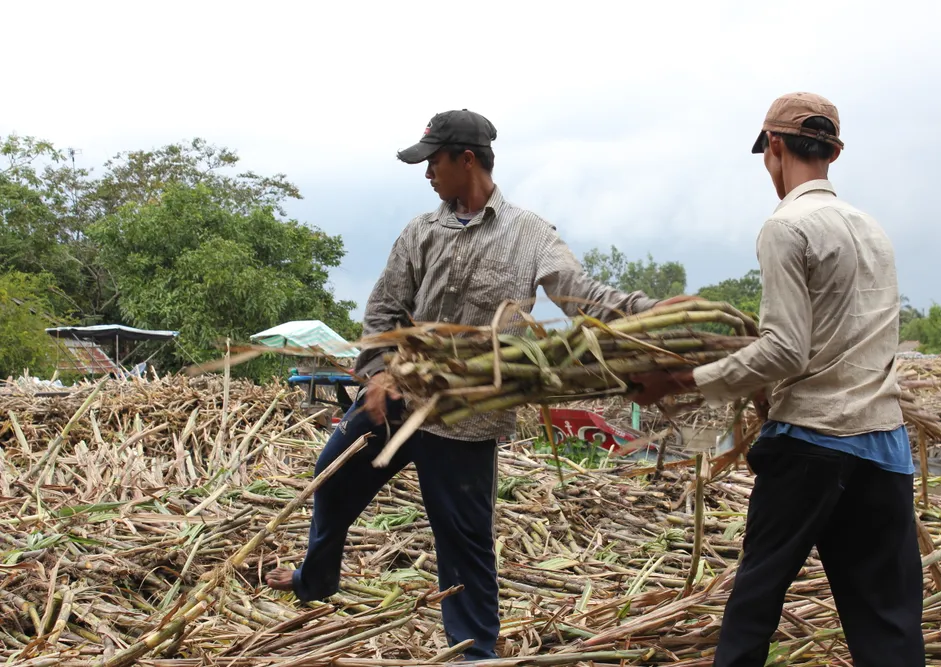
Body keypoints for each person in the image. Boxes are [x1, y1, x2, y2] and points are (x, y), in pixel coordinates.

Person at [266, 108, 686, 661]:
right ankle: (316, 578)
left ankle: (475, 652)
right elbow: (383, 309)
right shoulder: (421, 231)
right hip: (398, 396)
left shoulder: (530, 234)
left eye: (433, 161)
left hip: (468, 415)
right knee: (331, 478)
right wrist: (378, 372)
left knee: (464, 542)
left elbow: (580, 293)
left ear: (467, 159)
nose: (426, 173)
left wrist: (652, 312)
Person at [631, 93, 925, 667]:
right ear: (833, 152)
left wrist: (684, 380)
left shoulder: (787, 226)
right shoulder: (873, 231)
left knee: (755, 604)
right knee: (888, 623)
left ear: (774, 146)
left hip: (812, 443)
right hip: (884, 447)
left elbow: (786, 350)